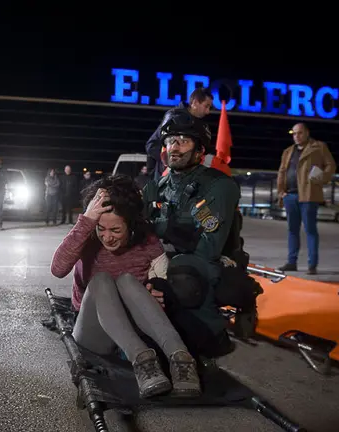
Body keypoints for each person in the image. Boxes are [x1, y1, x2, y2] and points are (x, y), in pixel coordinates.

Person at [50, 175, 201, 399]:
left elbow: (163, 282)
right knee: (101, 280)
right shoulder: (86, 236)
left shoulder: (147, 242)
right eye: (101, 228)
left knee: (127, 280)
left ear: (131, 226)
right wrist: (87, 221)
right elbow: (58, 269)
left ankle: (181, 358)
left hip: (134, 326)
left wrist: (159, 292)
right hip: (95, 333)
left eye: (115, 230)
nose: (107, 237)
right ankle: (142, 361)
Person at [142, 112, 241, 358]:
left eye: (183, 141)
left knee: (181, 273)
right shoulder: (162, 185)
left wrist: (160, 227)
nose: (174, 147)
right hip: (170, 254)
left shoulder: (219, 185)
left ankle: (213, 335)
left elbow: (210, 248)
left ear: (200, 150)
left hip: (210, 262)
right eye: (170, 141)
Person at [275, 123, 336, 275]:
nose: (297, 136)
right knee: (292, 230)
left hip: (308, 195)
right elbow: (282, 172)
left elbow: (331, 165)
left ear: (307, 133)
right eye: (294, 133)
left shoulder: (319, 147)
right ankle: (291, 262)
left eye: (300, 133)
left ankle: (312, 265)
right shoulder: (288, 151)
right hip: (290, 196)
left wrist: (321, 178)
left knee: (310, 230)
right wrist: (281, 191)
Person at [145, 88, 214, 180]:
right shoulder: (173, 118)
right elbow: (151, 145)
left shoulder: (201, 126)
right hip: (168, 179)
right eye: (206, 106)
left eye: (209, 108)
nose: (208, 111)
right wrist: (173, 162)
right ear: (195, 102)